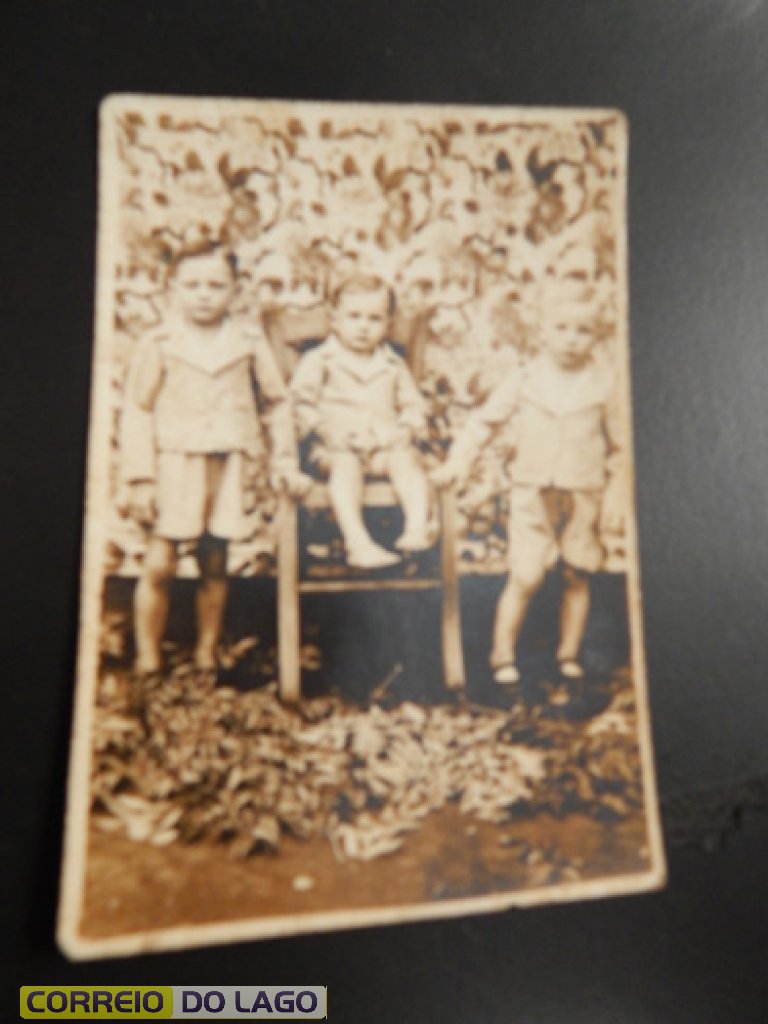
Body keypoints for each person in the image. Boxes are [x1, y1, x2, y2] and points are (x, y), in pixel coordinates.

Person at [120, 240, 303, 680]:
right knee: (160, 560)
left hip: (228, 461)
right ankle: (148, 656)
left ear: (236, 290)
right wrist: (140, 477)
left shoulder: (247, 340)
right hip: (174, 462)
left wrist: (281, 458)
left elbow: (276, 402)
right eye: (193, 285)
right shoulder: (160, 341)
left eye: (216, 285)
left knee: (215, 558)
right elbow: (138, 408)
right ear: (173, 289)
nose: (204, 294)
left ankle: (206, 650)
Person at [433, 294, 627, 684]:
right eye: (561, 328)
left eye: (583, 330)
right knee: (526, 574)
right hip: (532, 490)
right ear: (542, 332)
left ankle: (568, 656)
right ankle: (501, 656)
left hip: (583, 492)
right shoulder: (526, 378)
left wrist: (618, 493)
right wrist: (458, 462)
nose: (572, 338)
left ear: (598, 337)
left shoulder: (604, 383)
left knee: (578, 572)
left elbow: (623, 447)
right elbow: (484, 423)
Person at [290, 274, 431, 569]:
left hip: (382, 447)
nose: (363, 326)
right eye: (354, 317)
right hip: (335, 448)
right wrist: (326, 432)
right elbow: (300, 404)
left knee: (406, 459)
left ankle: (417, 526)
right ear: (335, 319)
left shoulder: (392, 364)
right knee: (346, 465)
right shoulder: (320, 360)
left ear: (388, 324)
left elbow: (413, 404)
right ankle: (358, 542)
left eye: (374, 319)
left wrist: (406, 428)